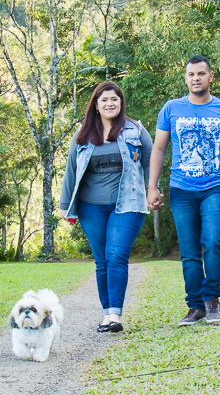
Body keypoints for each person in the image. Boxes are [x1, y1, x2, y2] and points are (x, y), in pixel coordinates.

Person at [147, 55, 220, 326]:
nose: (196, 78)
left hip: (217, 187)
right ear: (185, 78)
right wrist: (152, 187)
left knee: (214, 241)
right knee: (189, 251)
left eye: (201, 73)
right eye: (191, 74)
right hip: (181, 189)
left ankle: (211, 298)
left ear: (210, 77)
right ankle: (195, 306)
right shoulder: (171, 109)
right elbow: (158, 148)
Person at [59, 81, 153, 333]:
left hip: (129, 203)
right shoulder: (82, 135)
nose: (110, 103)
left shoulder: (136, 130)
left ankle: (115, 315)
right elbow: (71, 170)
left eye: (115, 99)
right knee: (102, 261)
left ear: (121, 103)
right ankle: (105, 314)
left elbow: (150, 163)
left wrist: (153, 190)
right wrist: (65, 205)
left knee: (117, 255)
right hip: (91, 207)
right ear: (96, 105)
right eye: (104, 100)